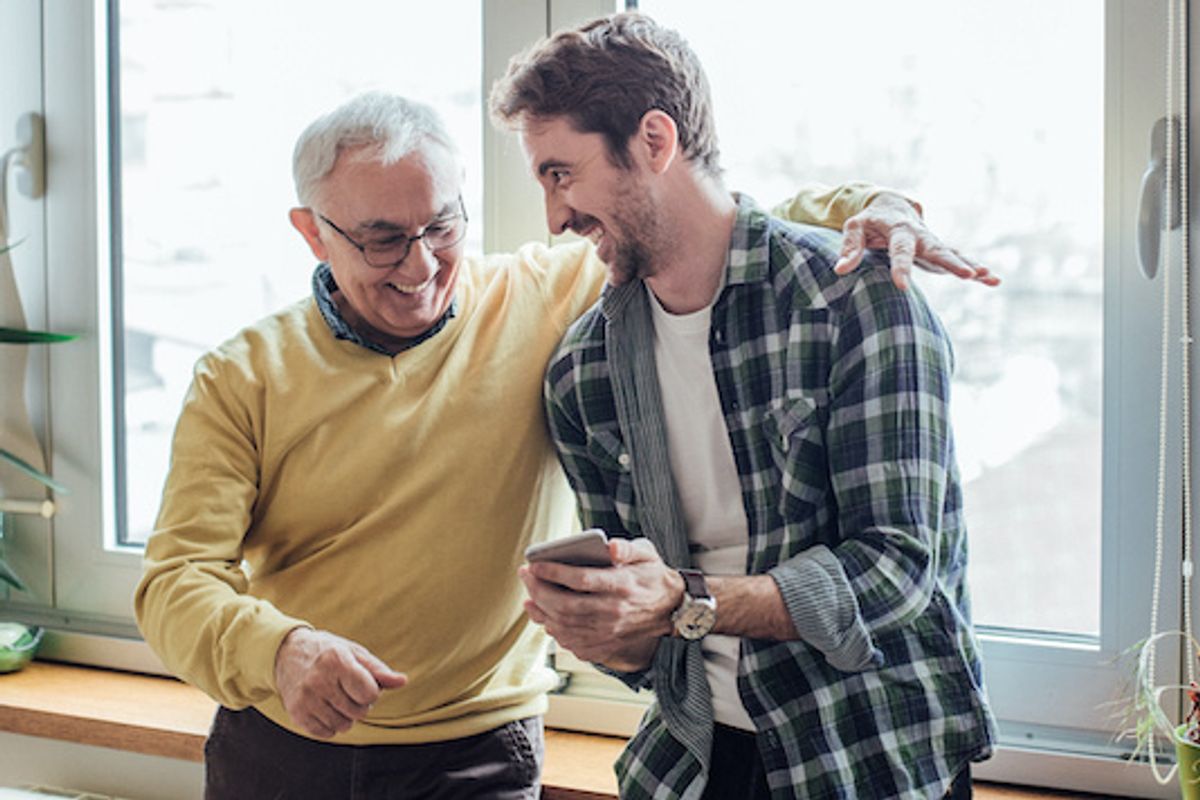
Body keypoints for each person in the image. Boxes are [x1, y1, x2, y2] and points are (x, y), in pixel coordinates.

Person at [133, 90, 986, 798]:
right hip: (284, 750)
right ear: (312, 232)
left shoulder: (542, 294)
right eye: (382, 239)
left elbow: (706, 215)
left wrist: (870, 206)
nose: (422, 265)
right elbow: (174, 583)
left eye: (442, 226)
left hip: (479, 756)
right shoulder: (242, 375)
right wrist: (276, 650)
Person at [493, 12, 995, 800]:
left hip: (865, 759)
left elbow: (894, 570)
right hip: (694, 763)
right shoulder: (583, 374)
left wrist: (685, 602)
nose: (554, 216)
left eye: (562, 173)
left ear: (655, 142)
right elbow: (646, 651)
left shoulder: (856, 305)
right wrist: (607, 622)